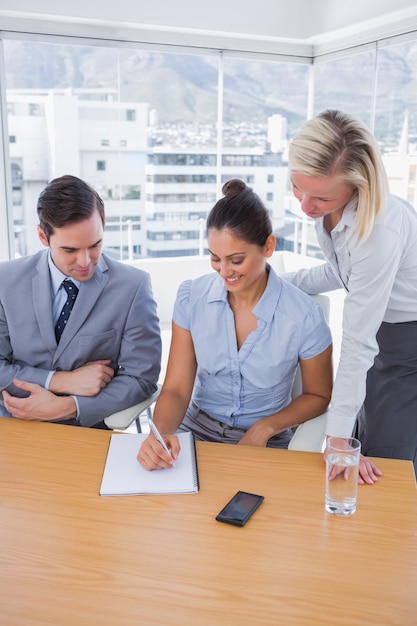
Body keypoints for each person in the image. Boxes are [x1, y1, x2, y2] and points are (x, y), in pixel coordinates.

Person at [137, 179, 332, 470]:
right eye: (215, 259)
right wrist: (161, 435)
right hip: (195, 433)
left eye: (236, 260)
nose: (224, 271)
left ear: (268, 246)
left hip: (266, 442)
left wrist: (264, 428)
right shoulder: (192, 298)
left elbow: (318, 395)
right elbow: (177, 389)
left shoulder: (303, 316)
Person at [284, 109, 417, 481]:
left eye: (321, 198)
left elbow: (358, 342)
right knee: (359, 433)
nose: (305, 207)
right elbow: (343, 272)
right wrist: (280, 282)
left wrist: (337, 440)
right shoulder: (329, 210)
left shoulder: (379, 231)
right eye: (297, 187)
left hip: (408, 341)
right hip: (381, 331)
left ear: (358, 185)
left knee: (383, 462)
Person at [0, 174, 161, 428]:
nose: (85, 262)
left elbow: (141, 379)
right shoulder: (5, 280)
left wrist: (68, 406)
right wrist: (61, 381)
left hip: (85, 430)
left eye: (95, 245)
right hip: (13, 423)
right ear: (43, 237)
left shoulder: (133, 286)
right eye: (70, 250)